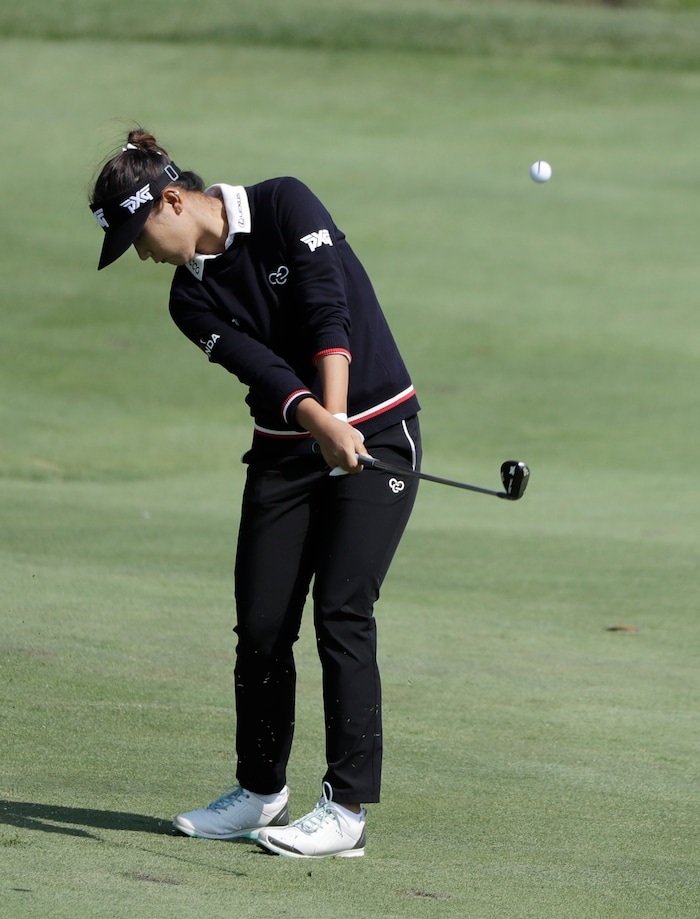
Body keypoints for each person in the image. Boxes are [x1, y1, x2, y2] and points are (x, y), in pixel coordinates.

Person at [89, 128, 421, 859]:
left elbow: (327, 312)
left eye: (138, 236)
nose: (140, 255)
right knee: (263, 624)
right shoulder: (188, 300)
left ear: (173, 201)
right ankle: (260, 791)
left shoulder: (281, 204)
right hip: (287, 446)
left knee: (342, 614)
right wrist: (320, 427)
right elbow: (266, 373)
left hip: (377, 428)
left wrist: (339, 423)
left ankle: (346, 810)